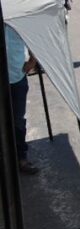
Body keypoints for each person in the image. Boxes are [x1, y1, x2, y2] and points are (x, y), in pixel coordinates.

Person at [5, 23, 39, 175]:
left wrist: (33, 60)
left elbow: (31, 37)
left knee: (18, 121)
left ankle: (21, 158)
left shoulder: (15, 16)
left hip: (16, 77)